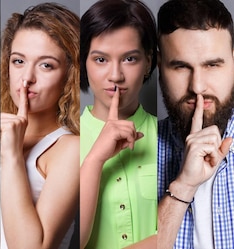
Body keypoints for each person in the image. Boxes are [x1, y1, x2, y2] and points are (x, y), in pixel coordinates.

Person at [0, 3, 80, 249]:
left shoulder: (69, 148)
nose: (26, 79)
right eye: (18, 61)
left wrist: (11, 157)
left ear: (69, 75)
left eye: (46, 65)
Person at [79, 0, 158, 248]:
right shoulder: (65, 138)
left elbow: (182, 233)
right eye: (101, 59)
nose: (115, 75)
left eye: (129, 59)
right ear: (84, 63)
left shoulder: (170, 137)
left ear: (148, 62)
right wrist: (93, 161)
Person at [157, 0, 234, 248]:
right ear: (159, 67)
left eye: (212, 65)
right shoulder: (131, 151)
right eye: (180, 67)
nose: (197, 86)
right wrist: (184, 187)